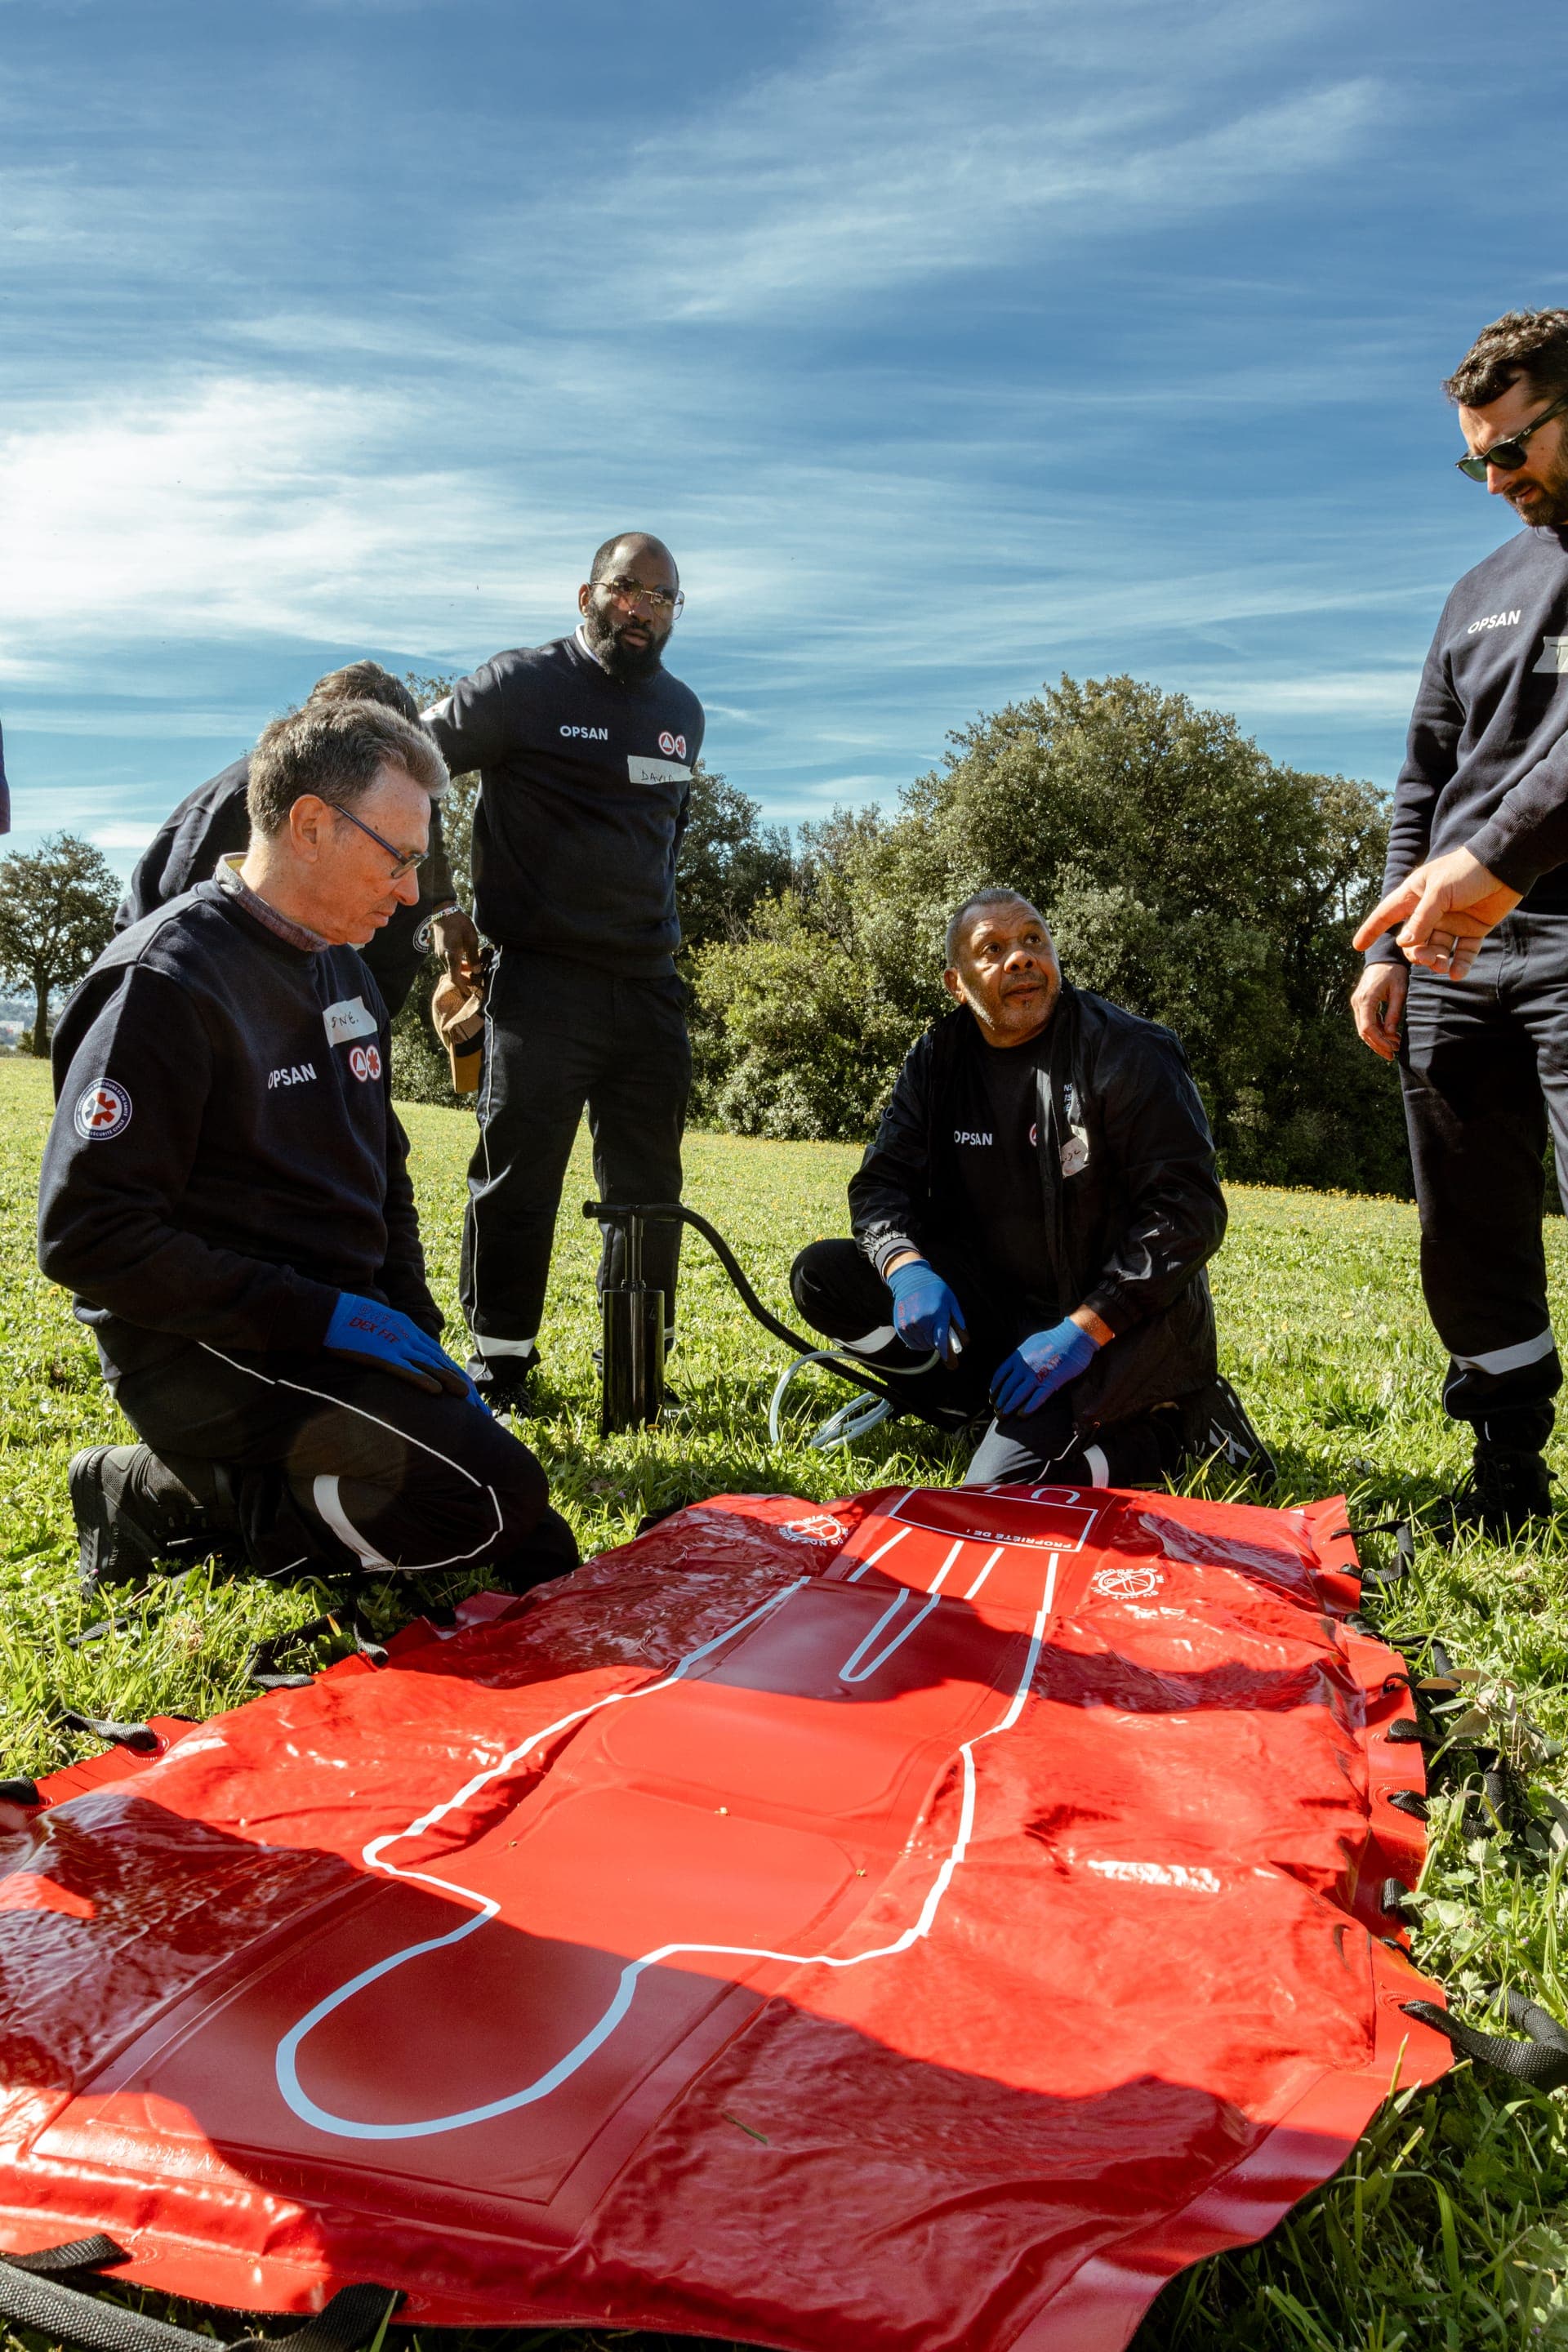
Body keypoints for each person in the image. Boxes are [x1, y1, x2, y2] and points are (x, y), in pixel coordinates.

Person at [39, 700, 577, 1598]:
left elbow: (385, 1180)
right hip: (210, 1347)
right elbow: (88, 1239)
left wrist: (415, 1331)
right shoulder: (165, 982)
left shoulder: (344, 967)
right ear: (312, 826)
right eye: (399, 858)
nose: (412, 892)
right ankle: (160, 1491)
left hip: (328, 1327)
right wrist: (324, 1318)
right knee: (485, 1508)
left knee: (535, 1539)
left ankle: (254, 1486)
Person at [789, 889, 1270, 1489]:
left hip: (1109, 1328)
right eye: (992, 949)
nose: (1020, 959)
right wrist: (905, 1265)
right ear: (957, 984)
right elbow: (883, 1183)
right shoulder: (935, 1058)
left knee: (998, 1494)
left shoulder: (1128, 1050)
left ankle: (1180, 1432)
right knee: (820, 1275)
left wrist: (1082, 1330)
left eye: (1033, 941)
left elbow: (1187, 1213)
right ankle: (971, 1412)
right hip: (993, 1310)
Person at [1352, 310, 1568, 1533]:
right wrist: (1391, 946)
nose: (1496, 479)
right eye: (1475, 457)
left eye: (1517, 444)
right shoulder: (1477, 592)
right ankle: (1506, 1476)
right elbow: (1426, 778)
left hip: (1555, 929)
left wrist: (1494, 865)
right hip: (1452, 951)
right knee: (1468, 1230)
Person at [421, 532, 703, 1410]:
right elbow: (407, 767)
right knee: (519, 1173)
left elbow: (667, 838)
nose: (643, 609)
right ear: (587, 594)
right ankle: (502, 1367)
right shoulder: (518, 685)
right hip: (541, 981)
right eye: (629, 590)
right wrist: (438, 905)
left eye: (663, 598)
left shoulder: (684, 711)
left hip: (650, 983)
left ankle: (639, 1367)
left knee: (651, 1183)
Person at [115, 662, 464, 1017]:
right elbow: (163, 945)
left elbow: (381, 988)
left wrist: (444, 907)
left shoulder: (408, 807)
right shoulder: (230, 806)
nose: (409, 887)